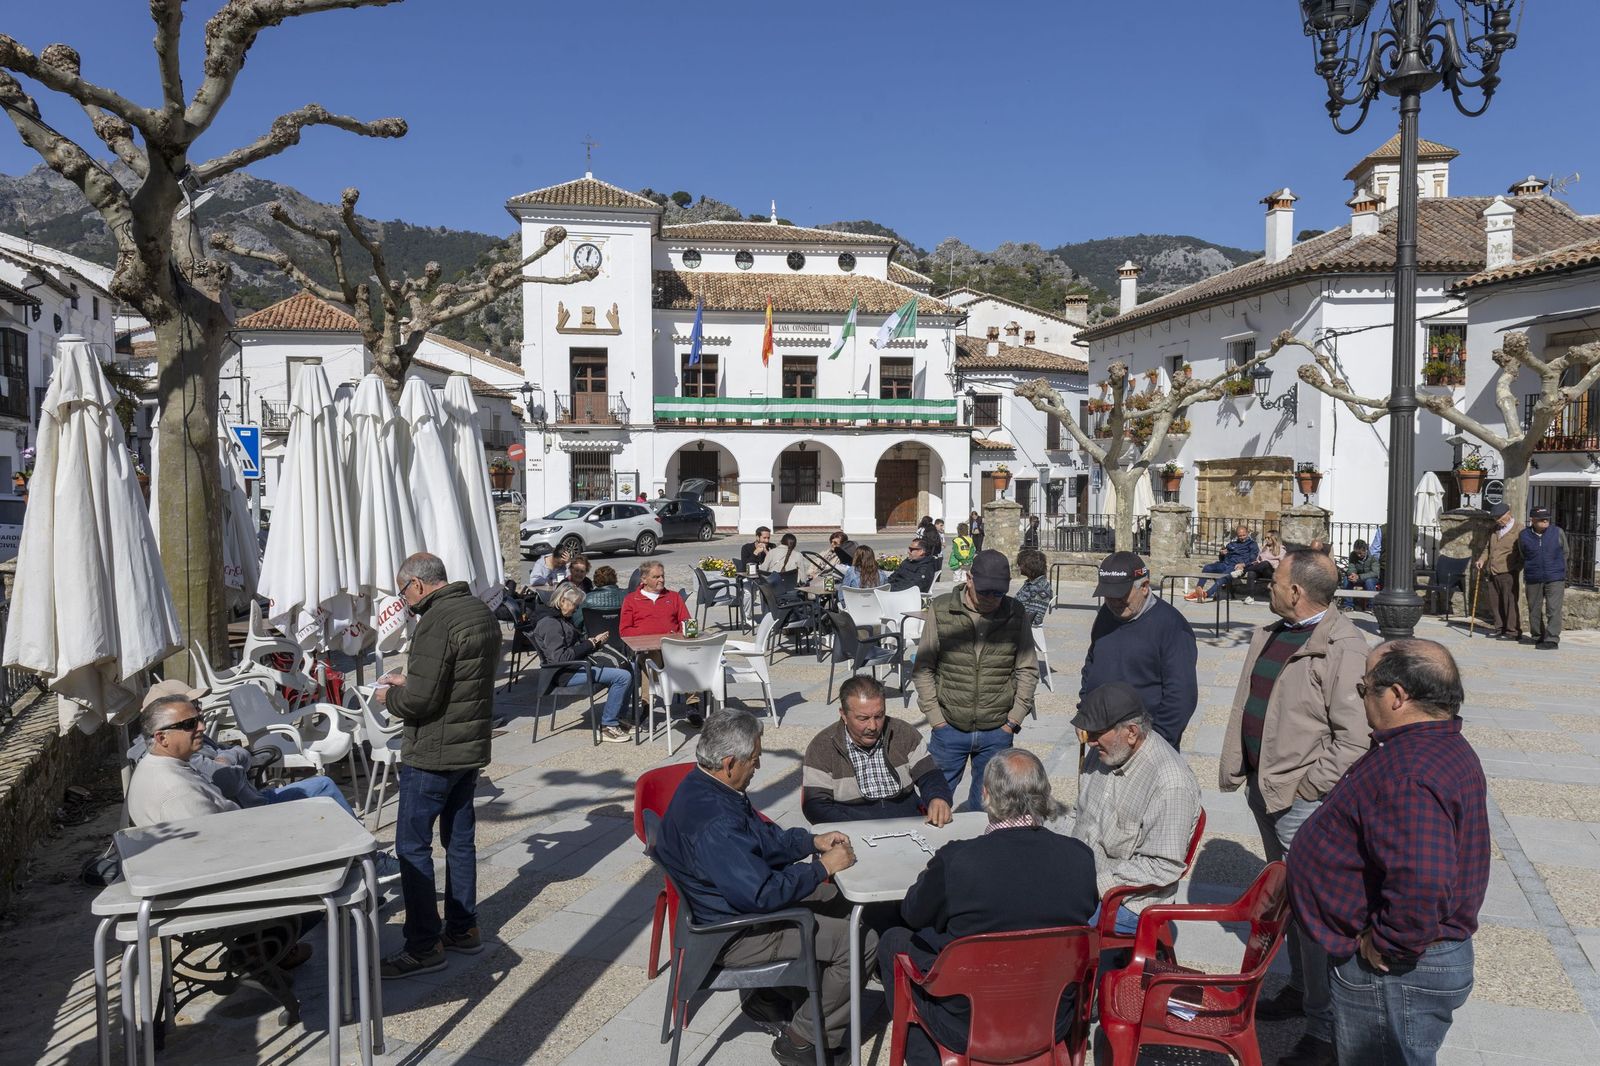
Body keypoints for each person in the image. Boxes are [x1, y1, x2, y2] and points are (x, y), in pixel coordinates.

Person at [1289, 639, 1488, 1066]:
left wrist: (1388, 943)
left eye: (1365, 690)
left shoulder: (1411, 771)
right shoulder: (1437, 744)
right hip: (1410, 962)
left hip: (1394, 971)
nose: (1361, 700)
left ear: (1397, 696)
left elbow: (1423, 878)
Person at [1218, 548, 1368, 1064]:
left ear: (1298, 591)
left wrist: (1308, 788)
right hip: (1265, 787)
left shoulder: (1343, 648)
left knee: (1313, 913)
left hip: (1300, 800)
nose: (1269, 586)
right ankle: (1302, 993)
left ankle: (1325, 1029)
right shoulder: (1274, 632)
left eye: (1277, 580)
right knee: (1290, 902)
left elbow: (1354, 738)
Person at [653, 710, 862, 1066]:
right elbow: (764, 894)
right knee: (859, 941)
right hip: (735, 934)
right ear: (729, 762)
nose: (758, 766)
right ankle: (801, 1042)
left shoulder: (706, 784)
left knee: (844, 901)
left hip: (738, 907)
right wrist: (824, 867)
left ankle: (770, 997)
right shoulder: (716, 822)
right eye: (754, 760)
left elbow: (763, 840)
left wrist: (812, 842)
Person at [875, 750, 1098, 1066]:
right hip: (1049, 1016)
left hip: (966, 1023)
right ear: (1044, 795)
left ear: (985, 795)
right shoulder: (1079, 858)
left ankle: (922, 1058)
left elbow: (913, 913)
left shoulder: (958, 861)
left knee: (893, 940)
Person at [376, 552, 503, 978]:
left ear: (416, 584)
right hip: (468, 747)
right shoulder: (479, 612)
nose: (404, 600)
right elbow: (459, 681)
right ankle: (464, 929)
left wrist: (390, 696)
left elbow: (421, 700)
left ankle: (423, 945)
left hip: (433, 751)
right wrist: (411, 681)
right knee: (459, 840)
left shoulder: (437, 619)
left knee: (413, 847)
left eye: (402, 591)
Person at [1070, 682, 1201, 937]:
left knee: (1045, 918)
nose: (1089, 741)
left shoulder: (1170, 783)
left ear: (1131, 732)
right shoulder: (1107, 750)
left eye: (1095, 734)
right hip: (1082, 877)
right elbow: (1078, 815)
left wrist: (1092, 886)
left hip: (1128, 902)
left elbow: (1162, 866)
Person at [912, 550, 1038, 810]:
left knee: (988, 808)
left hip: (997, 730)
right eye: (985, 592)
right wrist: (936, 720)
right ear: (969, 579)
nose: (992, 599)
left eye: (999, 593)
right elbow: (924, 668)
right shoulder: (942, 608)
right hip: (949, 729)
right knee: (933, 803)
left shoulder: (1015, 612)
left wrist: (1014, 720)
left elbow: (1027, 668)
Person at [1080, 552, 1199, 750]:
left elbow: (1181, 696)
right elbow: (1092, 666)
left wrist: (1154, 744)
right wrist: (1085, 713)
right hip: (1102, 739)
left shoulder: (1172, 626)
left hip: (1146, 745)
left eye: (1120, 595)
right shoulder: (1106, 614)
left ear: (1144, 587)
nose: (1113, 602)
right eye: (1108, 595)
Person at [801, 675, 953, 825]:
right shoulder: (822, 746)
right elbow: (815, 805)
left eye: (879, 716)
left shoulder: (903, 732)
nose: (873, 726)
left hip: (907, 821)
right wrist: (851, 829)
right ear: (844, 715)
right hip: (851, 831)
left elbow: (929, 773)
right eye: (863, 718)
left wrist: (937, 797)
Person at [534, 586, 634, 743]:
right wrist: (590, 643)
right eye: (575, 605)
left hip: (577, 666)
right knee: (622, 676)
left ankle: (618, 717)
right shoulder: (550, 624)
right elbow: (560, 658)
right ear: (562, 601)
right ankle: (608, 725)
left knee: (630, 666)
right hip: (565, 674)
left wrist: (595, 642)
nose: (576, 609)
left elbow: (573, 647)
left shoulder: (562, 619)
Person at [1520, 506, 1568, 650]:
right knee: (1534, 608)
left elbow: (1565, 552)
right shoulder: (1524, 535)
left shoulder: (1557, 532)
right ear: (1532, 520)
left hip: (1555, 576)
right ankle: (1537, 636)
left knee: (1553, 609)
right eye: (1541, 519)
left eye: (1547, 518)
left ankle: (1552, 639)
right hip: (1533, 576)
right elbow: (1523, 553)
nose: (1545, 521)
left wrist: (1559, 569)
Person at [1475, 502, 1523, 640]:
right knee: (1495, 601)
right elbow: (1487, 549)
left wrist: (1516, 568)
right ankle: (1499, 627)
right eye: (1496, 518)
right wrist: (1482, 560)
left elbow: (1523, 553)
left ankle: (1512, 631)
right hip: (1492, 570)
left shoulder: (1519, 529)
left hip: (1509, 571)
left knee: (1510, 602)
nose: (1497, 521)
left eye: (1499, 518)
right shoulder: (1495, 529)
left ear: (1508, 514)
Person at [1187, 524, 1257, 602]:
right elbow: (1222, 559)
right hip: (1225, 564)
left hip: (1236, 567)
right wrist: (1222, 553)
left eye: (1244, 535)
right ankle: (1199, 589)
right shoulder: (1232, 544)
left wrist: (1243, 564)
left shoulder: (1252, 544)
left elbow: (1253, 559)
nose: (1242, 537)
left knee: (1223, 577)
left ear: (1247, 533)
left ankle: (1206, 594)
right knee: (1207, 567)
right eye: (1240, 536)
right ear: (1237, 535)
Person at [1240, 528, 1285, 604]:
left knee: (1266, 563)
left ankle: (1243, 571)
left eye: (1268, 538)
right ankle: (1250, 597)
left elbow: (1283, 565)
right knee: (1251, 572)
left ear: (1274, 538)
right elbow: (1257, 561)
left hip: (1272, 572)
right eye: (1265, 538)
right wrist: (1254, 564)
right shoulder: (1263, 549)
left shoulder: (1281, 550)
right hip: (1261, 570)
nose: (1266, 540)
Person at [1013, 548, 1051, 626]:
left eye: (1020, 564)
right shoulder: (1031, 583)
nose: (1018, 567)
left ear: (1029, 566)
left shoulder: (1041, 589)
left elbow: (1035, 619)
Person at [1339, 538, 1380, 610]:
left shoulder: (1373, 557)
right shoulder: (1353, 555)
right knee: (1346, 579)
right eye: (1357, 553)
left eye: (1360, 553)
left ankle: (1372, 606)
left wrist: (1359, 576)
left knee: (1369, 582)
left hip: (1370, 578)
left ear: (1365, 550)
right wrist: (1352, 575)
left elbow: (1375, 573)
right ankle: (1348, 605)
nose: (1358, 555)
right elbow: (1351, 567)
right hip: (1357, 578)